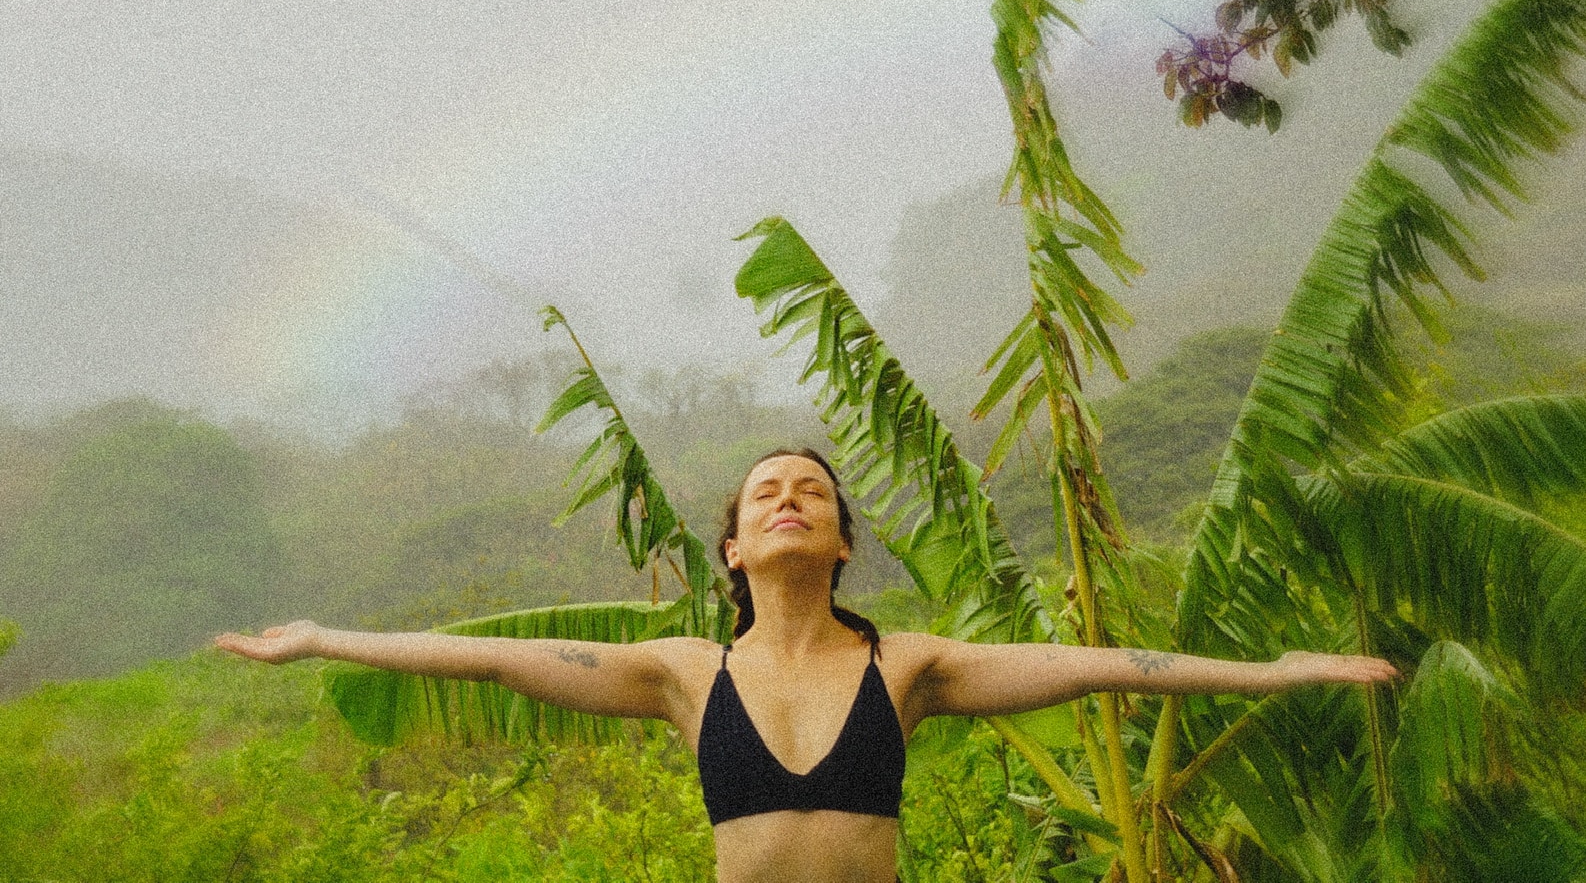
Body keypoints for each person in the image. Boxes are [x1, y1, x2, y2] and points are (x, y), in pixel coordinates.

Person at [217, 446, 1397, 883]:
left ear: (837, 540)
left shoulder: (912, 664)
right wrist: (323, 637)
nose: (790, 499)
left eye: (813, 491)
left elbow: (1105, 664)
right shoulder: (681, 671)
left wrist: (1270, 670)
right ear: (731, 546)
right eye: (765, 492)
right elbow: (491, 660)